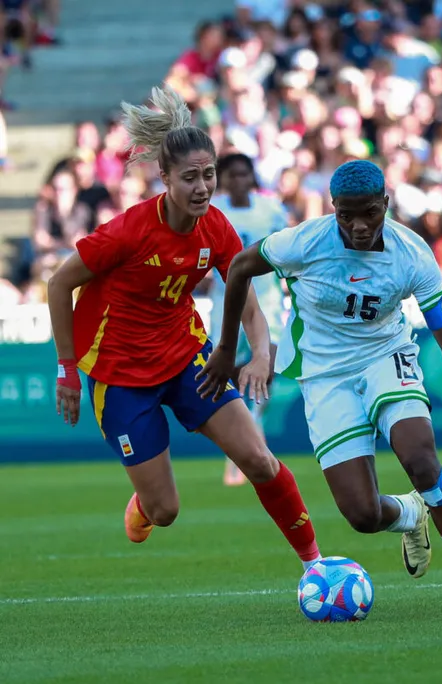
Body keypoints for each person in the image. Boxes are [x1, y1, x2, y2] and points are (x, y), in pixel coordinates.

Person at [203, 160, 442, 616]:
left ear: (386, 205)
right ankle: (411, 514)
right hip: (324, 376)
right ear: (333, 208)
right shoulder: (304, 240)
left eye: (370, 214)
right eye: (347, 215)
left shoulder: (411, 254)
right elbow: (238, 267)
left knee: (421, 461)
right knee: (362, 515)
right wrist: (224, 348)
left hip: (385, 358)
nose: (359, 226)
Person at [46, 86, 322, 572]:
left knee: (258, 459)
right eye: (190, 177)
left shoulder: (216, 228)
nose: (202, 187)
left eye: (208, 175)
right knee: (165, 511)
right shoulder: (127, 231)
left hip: (187, 358)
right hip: (122, 376)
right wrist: (68, 370)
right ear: (165, 177)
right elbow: (58, 284)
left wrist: (261, 354)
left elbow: (252, 308)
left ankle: (317, 565)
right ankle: (145, 505)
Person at [208, 153, 290, 487]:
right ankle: (239, 447)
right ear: (223, 179)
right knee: (222, 371)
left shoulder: (270, 209)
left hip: (266, 301)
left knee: (266, 368)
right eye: (232, 175)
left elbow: (287, 250)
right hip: (224, 302)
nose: (239, 180)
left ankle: (253, 438)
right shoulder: (213, 211)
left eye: (244, 174)